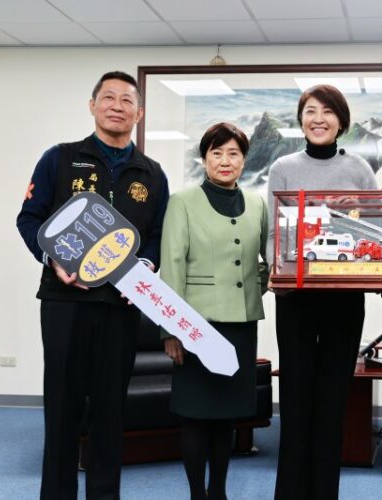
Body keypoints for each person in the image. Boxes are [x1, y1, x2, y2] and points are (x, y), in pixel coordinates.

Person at [16, 70, 169, 499]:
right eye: (108, 98)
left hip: (120, 307)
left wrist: (145, 267)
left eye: (127, 100)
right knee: (62, 408)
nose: (117, 106)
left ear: (139, 114)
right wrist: (53, 260)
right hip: (65, 302)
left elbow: (158, 235)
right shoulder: (60, 159)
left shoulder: (152, 174)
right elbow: (29, 218)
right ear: (92, 106)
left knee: (110, 411)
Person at [267, 84, 377, 500]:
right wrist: (279, 271)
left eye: (328, 111)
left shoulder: (359, 169)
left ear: (341, 121)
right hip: (294, 299)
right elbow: (273, 234)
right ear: (301, 120)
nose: (319, 119)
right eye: (311, 111)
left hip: (344, 301)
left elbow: (374, 230)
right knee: (295, 400)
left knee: (333, 403)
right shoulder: (283, 167)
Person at [160, 123, 268, 500]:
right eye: (216, 153)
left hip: (241, 325)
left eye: (233, 153)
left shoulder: (257, 203)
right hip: (196, 326)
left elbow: (266, 260)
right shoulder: (182, 202)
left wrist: (258, 284)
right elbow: (172, 266)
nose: (225, 161)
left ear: (244, 160)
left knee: (226, 416)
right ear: (204, 159)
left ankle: (218, 491)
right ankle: (197, 494)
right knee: (196, 416)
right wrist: (172, 330)